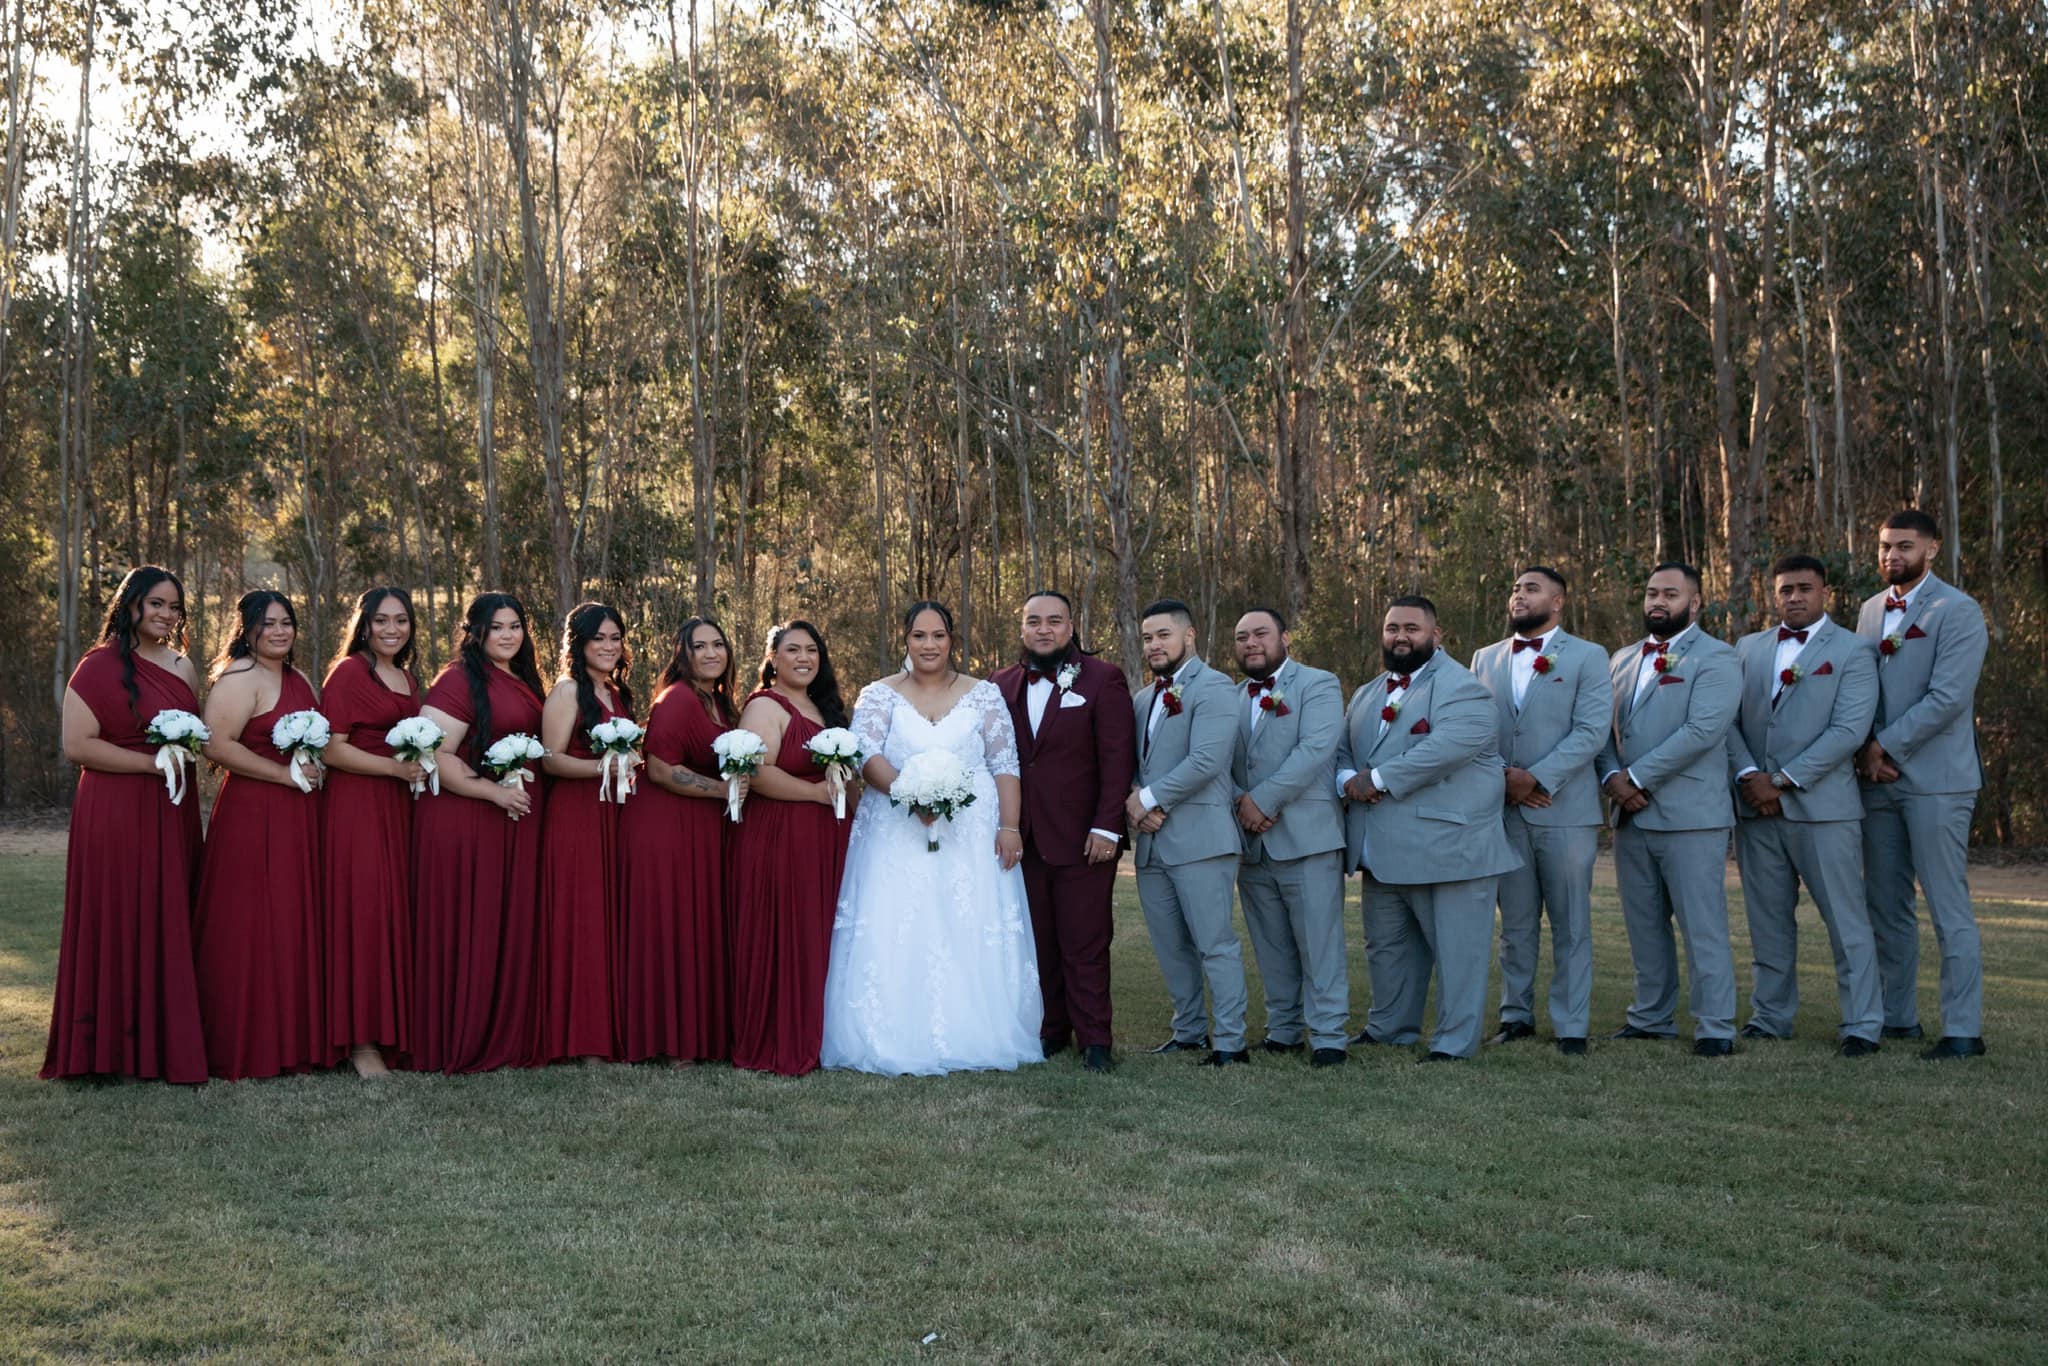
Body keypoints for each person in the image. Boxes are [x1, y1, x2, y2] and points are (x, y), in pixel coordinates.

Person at [821, 602, 1043, 1075]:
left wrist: (1008, 826)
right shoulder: (878, 695)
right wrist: (910, 793)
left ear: (951, 641)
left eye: (938, 636)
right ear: (905, 639)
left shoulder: (984, 695)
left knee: (966, 923)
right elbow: (868, 757)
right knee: (901, 921)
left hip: (972, 836)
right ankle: (892, 1033)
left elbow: (1005, 765)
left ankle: (977, 1031)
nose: (929, 645)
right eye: (919, 636)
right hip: (895, 832)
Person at [42, 566, 209, 1084]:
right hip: (114, 807)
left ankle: (162, 1046)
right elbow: (78, 745)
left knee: (170, 912)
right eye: (156, 604)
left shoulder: (183, 668)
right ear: (130, 604)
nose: (166, 614)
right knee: (118, 913)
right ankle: (105, 1051)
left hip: (172, 808)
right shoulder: (97, 667)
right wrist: (150, 764)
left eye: (174, 607)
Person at [1336, 595, 1520, 1061]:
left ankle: (1455, 1043)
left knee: (1459, 954)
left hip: (1450, 848)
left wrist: (1375, 779)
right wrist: (1346, 780)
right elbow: (1342, 752)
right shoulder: (1367, 692)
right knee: (1388, 948)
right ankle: (1391, 1026)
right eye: (1392, 627)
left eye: (1412, 628)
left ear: (1436, 635)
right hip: (1381, 847)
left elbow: (1445, 748)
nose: (1401, 636)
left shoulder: (1465, 688)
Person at [1728, 555, 1883, 1055]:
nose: (1794, 597)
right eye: (1785, 589)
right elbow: (1726, 722)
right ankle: (1770, 1016)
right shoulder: (1747, 648)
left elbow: (1849, 731)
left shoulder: (1855, 651)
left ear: (1825, 593)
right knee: (1767, 919)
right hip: (1755, 809)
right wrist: (1750, 776)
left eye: (1804, 588)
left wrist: (1782, 781)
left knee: (1846, 920)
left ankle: (1862, 1023)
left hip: (1824, 809)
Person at [1854, 509, 1990, 1060]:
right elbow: (1860, 689)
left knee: (1946, 903)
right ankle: (1897, 1017)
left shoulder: (1958, 611)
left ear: (1932, 548)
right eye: (1886, 546)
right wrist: (1865, 751)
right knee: (1885, 903)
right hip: (1876, 780)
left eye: (1904, 546)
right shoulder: (1868, 611)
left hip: (1937, 780)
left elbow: (1948, 697)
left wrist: (1884, 745)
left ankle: (1962, 1029)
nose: (1892, 556)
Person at [1598, 562, 1742, 1056]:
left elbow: (1703, 731)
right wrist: (1611, 778)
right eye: (1652, 593)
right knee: (1643, 924)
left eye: (1670, 594)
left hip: (1690, 816)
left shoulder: (1718, 659)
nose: (1658, 602)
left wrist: (1635, 778)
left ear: (1695, 603)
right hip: (1631, 817)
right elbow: (1602, 731)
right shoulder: (1620, 659)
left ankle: (1715, 1026)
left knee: (1702, 925)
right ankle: (1651, 1016)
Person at [1468, 566, 1611, 1056]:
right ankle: (1516, 1015)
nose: (1518, 595)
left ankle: (1572, 1025)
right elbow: (1470, 731)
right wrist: (1503, 782)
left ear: (1558, 601)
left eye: (1531, 589)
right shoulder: (1484, 659)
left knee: (1571, 922)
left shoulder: (1589, 657)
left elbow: (1592, 731)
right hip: (1504, 811)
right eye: (1514, 588)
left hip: (1564, 810)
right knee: (1516, 924)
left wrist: (1537, 777)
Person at [989, 591, 1134, 1072]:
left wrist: (1107, 827)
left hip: (1083, 838)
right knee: (1038, 941)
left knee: (1086, 942)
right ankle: (1051, 1030)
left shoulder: (1102, 679)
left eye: (1055, 621)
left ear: (1071, 628)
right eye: (1034, 621)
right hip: (1021, 839)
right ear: (1023, 629)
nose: (1044, 629)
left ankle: (1095, 1040)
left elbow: (1116, 759)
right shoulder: (999, 684)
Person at [191, 590, 332, 1080]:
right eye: (268, 623)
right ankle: (243, 1043)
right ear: (247, 629)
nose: (279, 631)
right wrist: (280, 776)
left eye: (286, 622)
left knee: (292, 919)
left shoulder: (297, 677)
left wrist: (311, 769)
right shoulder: (240, 678)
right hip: (254, 814)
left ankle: (294, 1042)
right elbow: (217, 745)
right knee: (250, 923)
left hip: (299, 815)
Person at [412, 592, 549, 1074]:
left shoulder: (521, 678)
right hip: (469, 820)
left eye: (516, 626)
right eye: (497, 627)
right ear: (475, 632)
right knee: (475, 925)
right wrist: (491, 794)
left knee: (506, 924)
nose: (509, 635)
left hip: (512, 818)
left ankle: (506, 1033)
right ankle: (464, 1036)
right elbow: (436, 755)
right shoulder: (456, 680)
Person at [1127, 598, 1249, 1066]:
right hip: (1152, 844)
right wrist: (1134, 803)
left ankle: (1231, 1041)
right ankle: (1189, 1030)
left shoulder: (1216, 687)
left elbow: (1207, 760)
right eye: (1147, 637)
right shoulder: (1142, 698)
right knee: (1170, 945)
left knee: (1214, 943)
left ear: (1189, 635)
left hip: (1201, 839)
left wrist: (1149, 799)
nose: (1154, 645)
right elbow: (1132, 766)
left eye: (1163, 635)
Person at [728, 620, 854, 1077]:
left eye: (812, 650)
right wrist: (818, 795)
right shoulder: (766, 705)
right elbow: (758, 773)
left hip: (826, 837)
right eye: (793, 650)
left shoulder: (824, 708)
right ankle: (781, 1039)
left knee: (821, 935)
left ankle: (821, 1035)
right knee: (790, 934)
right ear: (773, 659)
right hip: (784, 835)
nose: (804, 658)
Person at [1228, 607, 1349, 1067]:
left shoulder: (1317, 684)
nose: (1251, 643)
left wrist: (1263, 800)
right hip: (1252, 840)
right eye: (1242, 637)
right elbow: (1220, 760)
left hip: (1306, 836)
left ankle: (1329, 1035)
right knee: (1271, 941)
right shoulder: (1233, 695)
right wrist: (1242, 801)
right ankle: (1282, 1029)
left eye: (1261, 633)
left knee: (1319, 941)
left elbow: (1316, 749)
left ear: (1286, 638)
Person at [618, 616, 740, 1066]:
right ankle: (671, 1042)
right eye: (700, 646)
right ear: (682, 654)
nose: (711, 653)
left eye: (718, 645)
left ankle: (700, 1035)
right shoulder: (677, 700)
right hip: (664, 829)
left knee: (696, 927)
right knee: (672, 929)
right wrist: (721, 791)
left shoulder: (719, 703)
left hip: (699, 827)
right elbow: (661, 769)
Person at [319, 586, 427, 1079]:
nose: (392, 629)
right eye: (382, 620)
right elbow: (332, 749)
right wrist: (394, 771)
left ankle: (393, 1033)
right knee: (363, 916)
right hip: (358, 807)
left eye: (401, 620)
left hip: (401, 808)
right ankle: (360, 1044)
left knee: (393, 916)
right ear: (364, 625)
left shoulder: (406, 676)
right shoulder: (348, 674)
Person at [537, 602, 634, 1065]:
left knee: (607, 921)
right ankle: (581, 1041)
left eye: (616, 637)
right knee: (582, 923)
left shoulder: (617, 692)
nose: (609, 646)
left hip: (613, 816)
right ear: (579, 643)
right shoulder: (568, 691)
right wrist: (606, 766)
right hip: (575, 816)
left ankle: (609, 1030)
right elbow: (550, 758)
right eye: (599, 638)